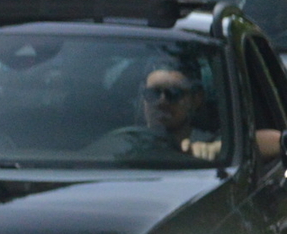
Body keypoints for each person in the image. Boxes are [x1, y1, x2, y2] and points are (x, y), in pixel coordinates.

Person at [94, 64, 222, 162]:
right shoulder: (118, 144)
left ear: (196, 100)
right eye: (152, 94)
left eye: (173, 94)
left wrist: (214, 150)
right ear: (142, 100)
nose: (161, 102)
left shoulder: (209, 144)